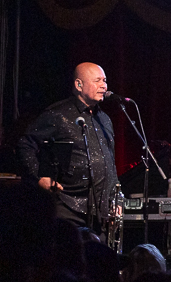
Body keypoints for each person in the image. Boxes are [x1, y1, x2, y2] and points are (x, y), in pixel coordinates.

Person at [17, 62, 119, 229]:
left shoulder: (105, 119)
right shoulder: (57, 114)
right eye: (97, 81)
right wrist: (39, 177)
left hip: (100, 212)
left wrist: (115, 198)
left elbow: (110, 162)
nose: (103, 85)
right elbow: (25, 144)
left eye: (105, 80)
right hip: (68, 207)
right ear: (79, 85)